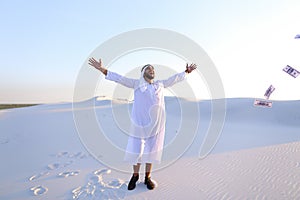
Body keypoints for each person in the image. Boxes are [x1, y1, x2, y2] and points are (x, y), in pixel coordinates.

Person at [88, 58, 197, 190]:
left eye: (153, 69)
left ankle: (147, 177)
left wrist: (187, 72)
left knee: (152, 150)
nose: (152, 70)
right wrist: (102, 69)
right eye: (148, 68)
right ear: (142, 72)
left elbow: (175, 78)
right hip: (139, 125)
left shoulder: (160, 84)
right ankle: (135, 176)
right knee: (137, 151)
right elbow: (119, 78)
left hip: (156, 125)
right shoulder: (136, 84)